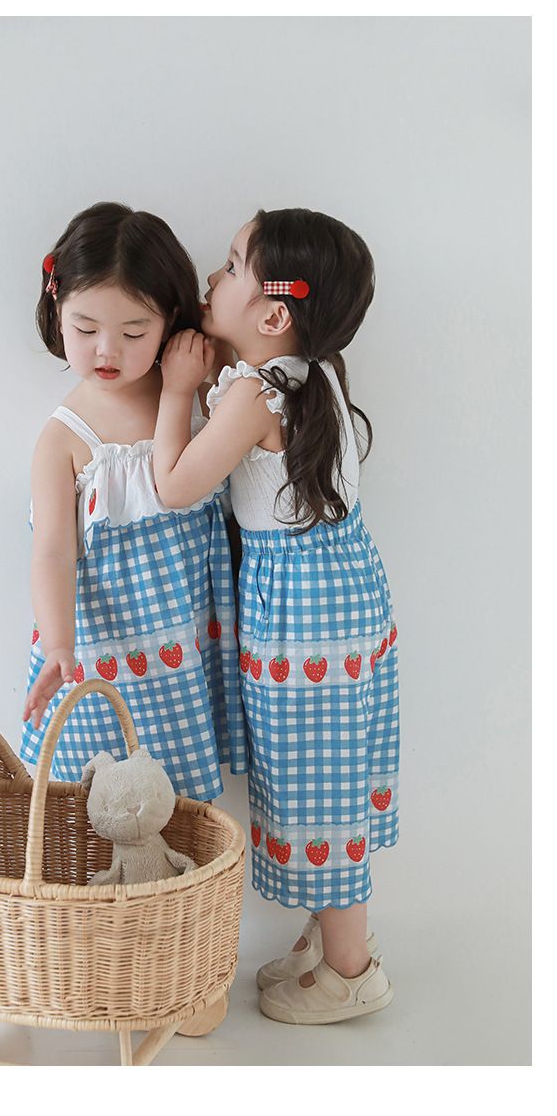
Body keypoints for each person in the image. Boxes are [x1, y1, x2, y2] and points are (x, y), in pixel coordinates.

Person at [153, 207, 399, 1023]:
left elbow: (174, 486)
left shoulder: (255, 396)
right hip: (342, 600)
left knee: (313, 788)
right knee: (328, 775)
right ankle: (327, 938)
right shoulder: (313, 373)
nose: (212, 277)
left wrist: (178, 391)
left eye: (231, 266)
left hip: (304, 619)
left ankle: (352, 971)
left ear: (273, 315)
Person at [21, 202, 246, 801]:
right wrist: (59, 643)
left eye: (133, 333)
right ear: (56, 310)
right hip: (111, 653)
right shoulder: (64, 439)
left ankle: (187, 864)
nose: (107, 351)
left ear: (169, 319)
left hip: (190, 636)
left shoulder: (193, 382)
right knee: (105, 798)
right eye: (85, 329)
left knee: (184, 800)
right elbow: (52, 552)